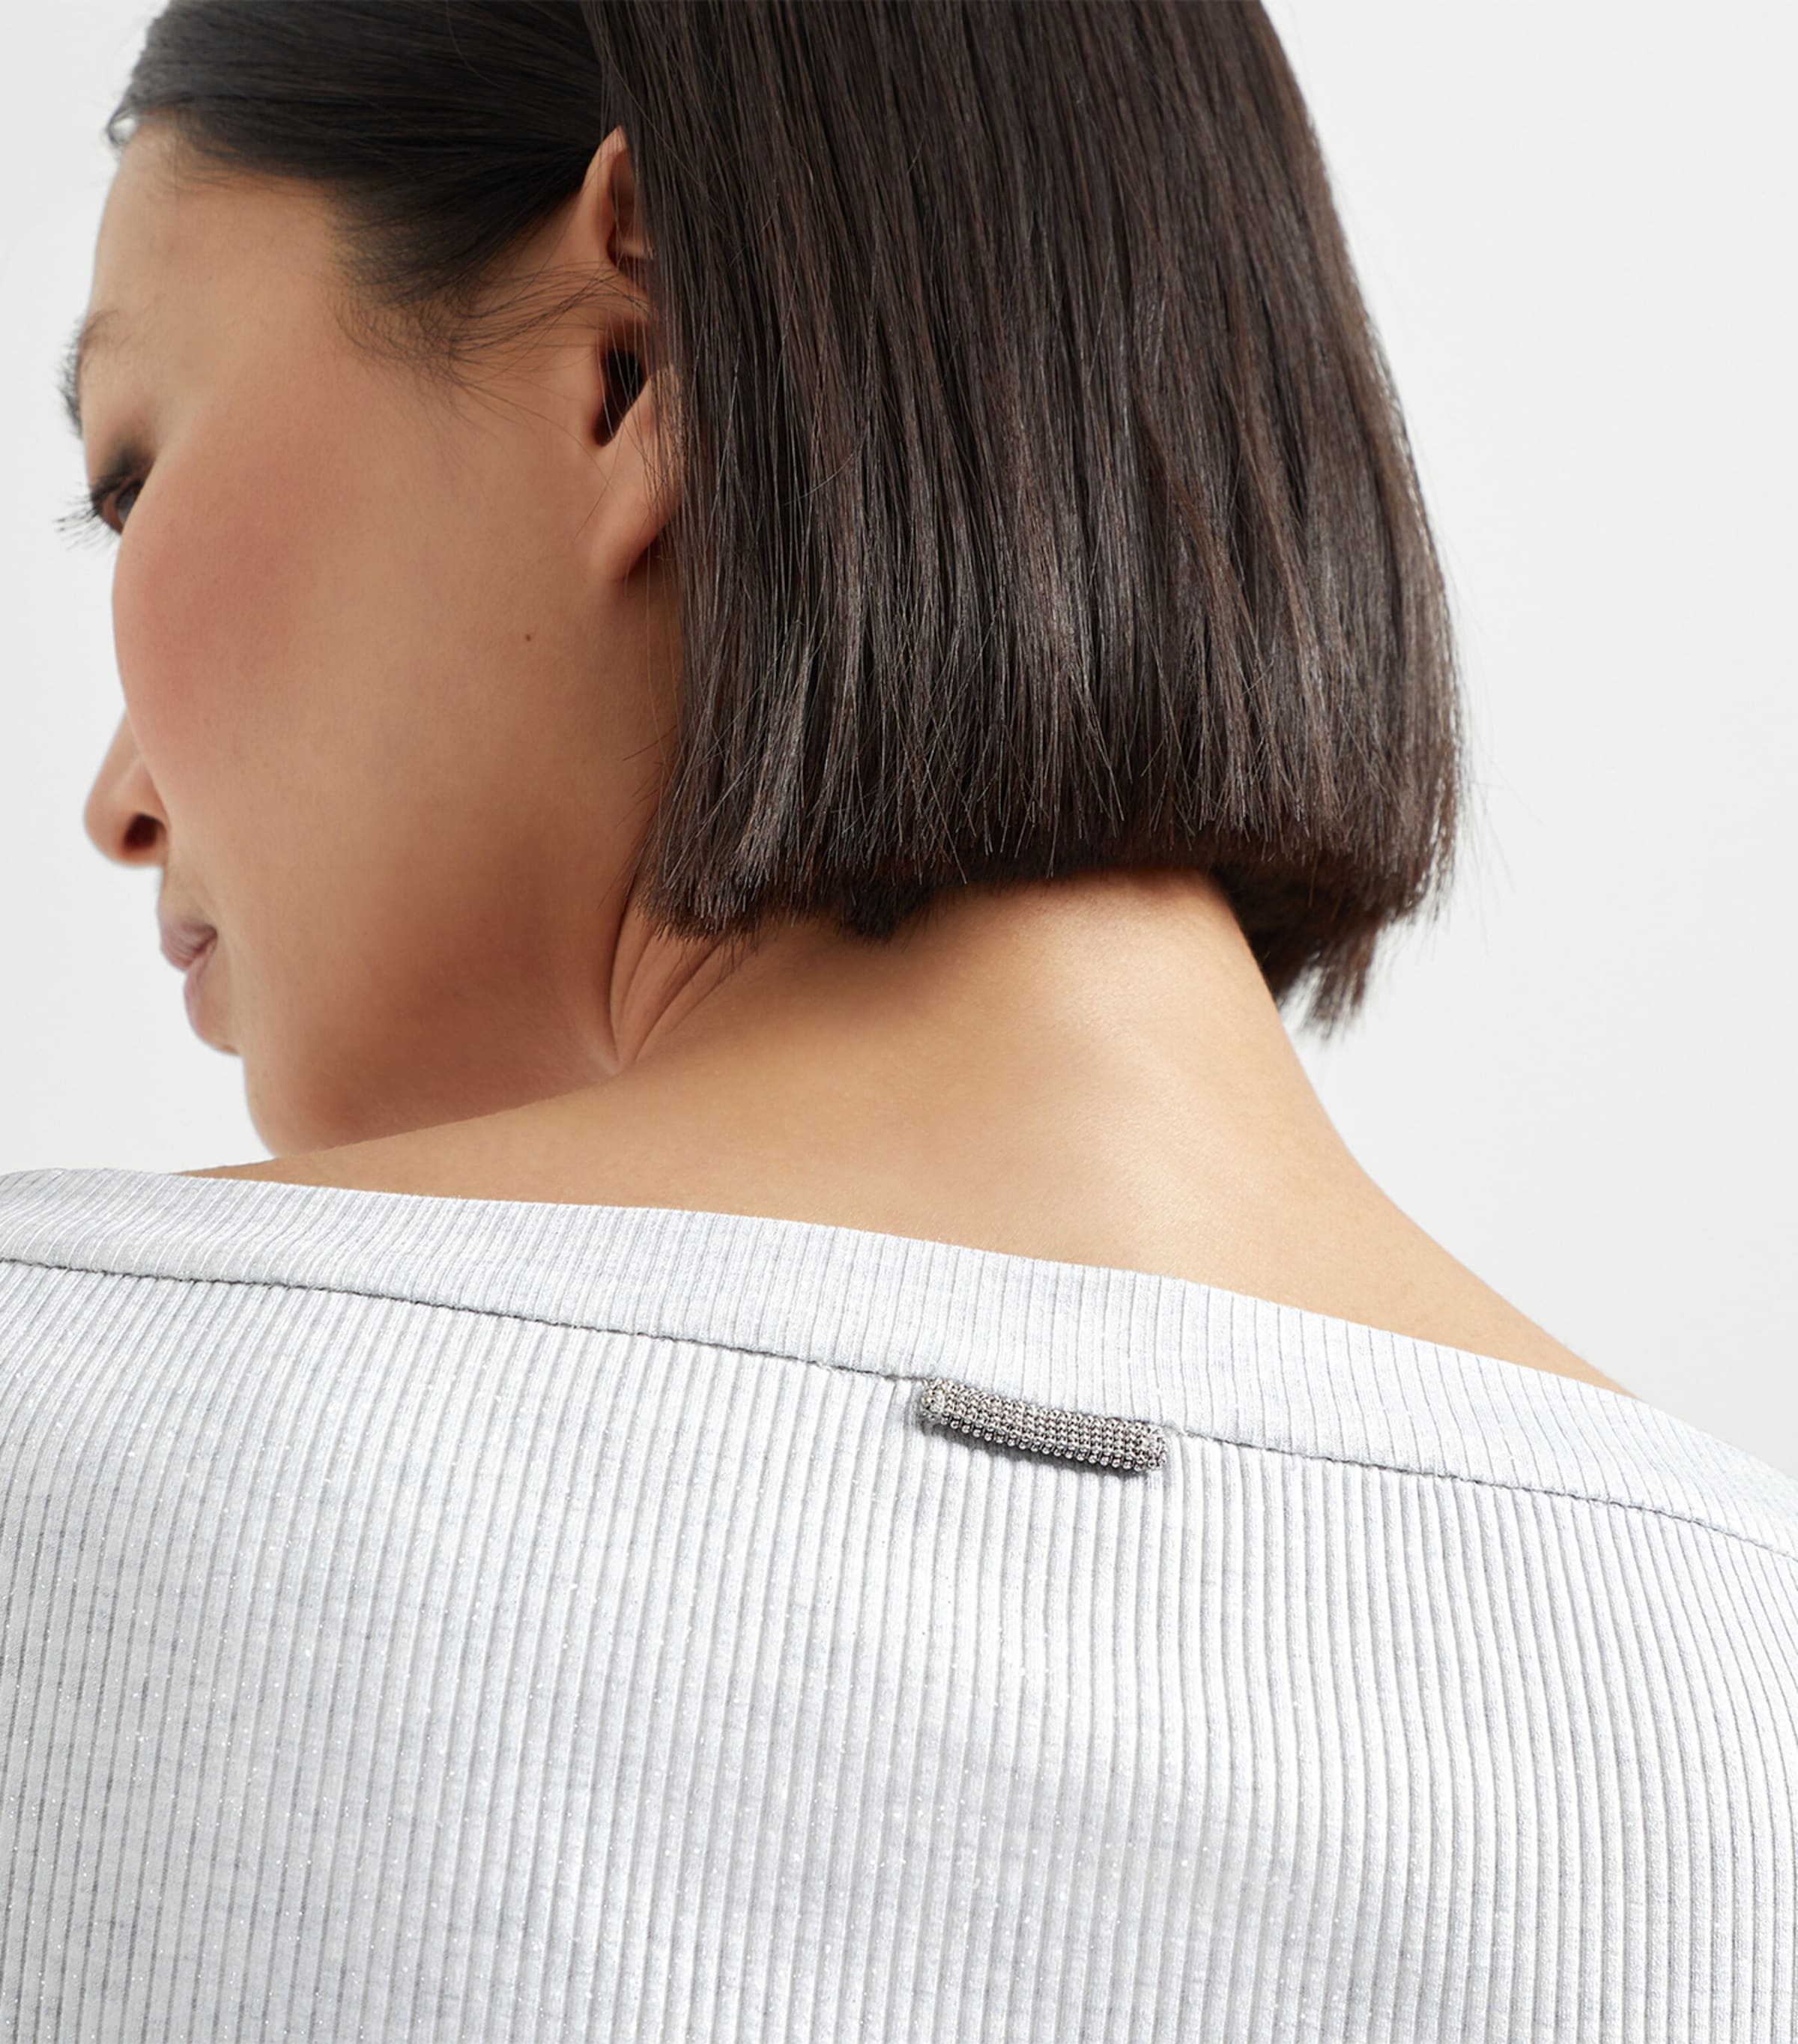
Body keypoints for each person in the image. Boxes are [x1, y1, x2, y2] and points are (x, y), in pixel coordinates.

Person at [3, 4, 1792, 2039]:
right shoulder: (1749, 1717)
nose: (118, 799)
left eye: (129, 478)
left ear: (628, 369)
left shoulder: (53, 1460)